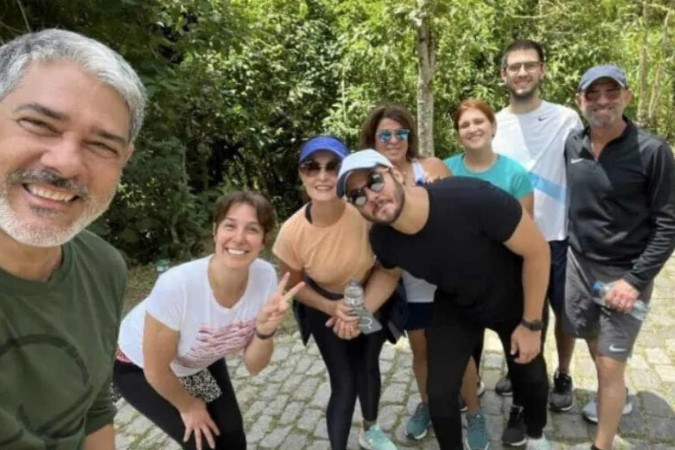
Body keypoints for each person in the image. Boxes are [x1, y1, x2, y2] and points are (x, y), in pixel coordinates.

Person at [336, 149, 553, 450]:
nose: (370, 197)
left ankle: (537, 435)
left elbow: (538, 251)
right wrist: (357, 315)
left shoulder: (471, 197)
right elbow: (388, 275)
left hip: (514, 299)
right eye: (357, 195)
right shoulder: (383, 238)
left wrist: (531, 323)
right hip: (457, 303)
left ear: (397, 174)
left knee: (529, 376)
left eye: (374, 181)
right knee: (439, 394)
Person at [0, 29, 146, 449]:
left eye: (102, 145)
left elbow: (94, 407)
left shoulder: (104, 267)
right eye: (39, 124)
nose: (65, 163)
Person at [114, 191, 304, 450]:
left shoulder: (266, 278)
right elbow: (156, 371)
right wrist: (190, 406)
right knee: (202, 441)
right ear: (215, 231)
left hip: (199, 359)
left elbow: (254, 366)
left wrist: (264, 331)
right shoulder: (177, 286)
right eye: (230, 225)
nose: (239, 237)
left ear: (263, 241)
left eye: (252, 229)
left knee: (233, 436)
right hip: (140, 366)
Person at [564, 65, 675, 450]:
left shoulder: (653, 151)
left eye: (611, 92)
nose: (602, 101)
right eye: (592, 94)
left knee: (612, 366)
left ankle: (602, 444)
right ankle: (618, 397)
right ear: (580, 101)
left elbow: (668, 225)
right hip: (579, 266)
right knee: (591, 339)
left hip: (625, 275)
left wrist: (634, 282)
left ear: (627, 96)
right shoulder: (573, 144)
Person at [272, 136, 398, 450]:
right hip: (323, 305)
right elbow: (292, 285)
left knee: (368, 365)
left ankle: (370, 430)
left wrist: (358, 309)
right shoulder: (291, 232)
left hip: (368, 296)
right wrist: (331, 308)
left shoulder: (364, 210)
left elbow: (388, 266)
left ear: (344, 174)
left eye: (333, 166)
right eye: (312, 167)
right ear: (301, 174)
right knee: (344, 382)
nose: (323, 176)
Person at [491, 38, 583, 446]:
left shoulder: (567, 119)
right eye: (515, 66)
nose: (523, 72)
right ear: (503, 75)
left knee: (564, 315)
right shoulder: (492, 124)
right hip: (511, 244)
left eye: (530, 65)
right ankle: (524, 395)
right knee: (522, 320)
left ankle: (562, 373)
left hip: (559, 238)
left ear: (543, 70)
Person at [444, 98, 534, 449]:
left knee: (517, 351)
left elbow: (528, 236)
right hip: (461, 280)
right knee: (468, 344)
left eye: (479, 121)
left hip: (506, 278)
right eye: (465, 125)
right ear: (458, 134)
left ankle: (520, 410)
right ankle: (472, 391)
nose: (473, 129)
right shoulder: (446, 169)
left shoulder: (514, 174)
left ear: (493, 127)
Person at [359, 104, 451, 441]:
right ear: (373, 139)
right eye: (385, 134)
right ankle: (427, 404)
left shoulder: (429, 166)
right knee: (421, 349)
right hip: (404, 280)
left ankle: (471, 407)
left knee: (459, 345)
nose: (394, 139)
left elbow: (459, 213)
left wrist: (440, 190)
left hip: (448, 276)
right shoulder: (366, 179)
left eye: (401, 133)